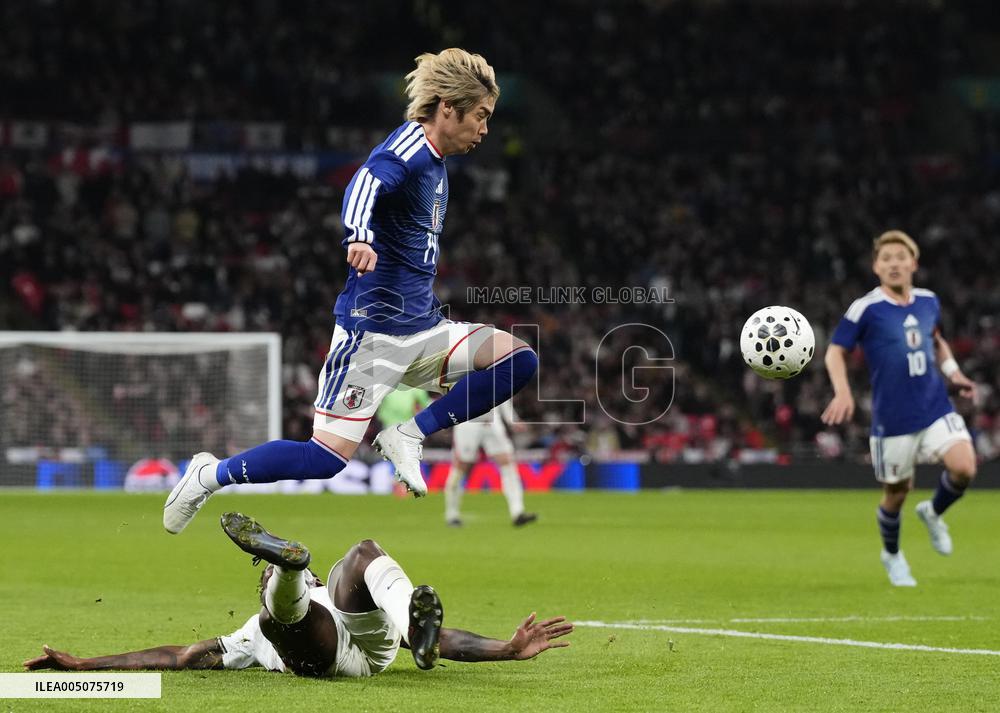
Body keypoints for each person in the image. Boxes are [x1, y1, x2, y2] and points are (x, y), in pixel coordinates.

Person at [164, 48, 539, 534]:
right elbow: (364, 183)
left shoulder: (439, 165)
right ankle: (208, 475)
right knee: (323, 459)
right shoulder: (409, 146)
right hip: (373, 338)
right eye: (481, 116)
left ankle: (409, 433)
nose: (486, 130)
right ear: (448, 107)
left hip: (425, 329)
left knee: (519, 359)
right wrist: (358, 234)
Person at [25, 512, 573, 677]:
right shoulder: (249, 633)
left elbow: (441, 636)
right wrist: (85, 666)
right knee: (276, 623)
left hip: (375, 641)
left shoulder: (327, 591)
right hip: (323, 649)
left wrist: (506, 647)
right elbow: (178, 656)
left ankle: (408, 620)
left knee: (360, 552)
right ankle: (287, 566)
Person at [821, 230, 978, 587]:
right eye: (886, 258)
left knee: (965, 467)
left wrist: (955, 373)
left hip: (935, 405)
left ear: (913, 263)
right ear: (876, 266)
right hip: (892, 419)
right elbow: (834, 351)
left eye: (900, 257)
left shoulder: (928, 301)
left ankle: (934, 512)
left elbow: (936, 341)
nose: (894, 263)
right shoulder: (866, 308)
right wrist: (842, 392)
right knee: (896, 493)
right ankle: (892, 555)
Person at [445, 401, 538, 527]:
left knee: (507, 462)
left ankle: (517, 512)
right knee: (461, 466)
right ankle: (452, 514)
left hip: (492, 422)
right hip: (467, 422)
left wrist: (512, 420)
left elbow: (502, 392)